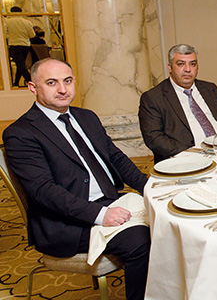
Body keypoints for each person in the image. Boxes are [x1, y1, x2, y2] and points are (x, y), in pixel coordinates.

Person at [2, 58, 150, 300]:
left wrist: (150, 188)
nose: (63, 89)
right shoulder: (20, 133)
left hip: (109, 200)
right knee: (141, 242)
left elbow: (116, 158)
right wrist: (100, 215)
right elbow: (44, 191)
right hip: (65, 222)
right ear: (33, 87)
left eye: (68, 81)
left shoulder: (86, 117)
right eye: (52, 83)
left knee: (169, 221)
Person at [138, 44, 217, 162]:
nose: (187, 69)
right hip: (187, 160)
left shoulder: (209, 88)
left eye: (192, 64)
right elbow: (154, 138)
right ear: (170, 67)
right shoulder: (153, 98)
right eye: (181, 64)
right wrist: (193, 153)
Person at [5, 6, 34, 86]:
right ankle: (16, 82)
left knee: (20, 64)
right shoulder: (27, 22)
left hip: (14, 44)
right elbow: (32, 35)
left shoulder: (7, 22)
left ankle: (29, 80)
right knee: (20, 64)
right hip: (25, 44)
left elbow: (5, 34)